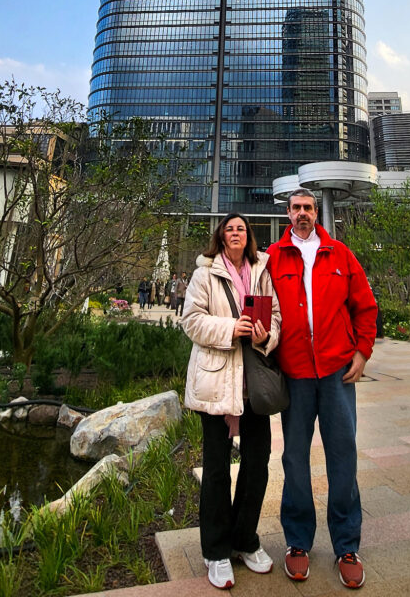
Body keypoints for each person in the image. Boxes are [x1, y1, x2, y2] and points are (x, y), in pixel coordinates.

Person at [267, 188, 378, 590]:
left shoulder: (341, 255)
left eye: (308, 208)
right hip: (295, 374)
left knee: (343, 456)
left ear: (317, 213)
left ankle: (347, 545)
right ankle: (298, 541)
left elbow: (365, 307)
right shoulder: (273, 258)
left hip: (335, 372)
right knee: (295, 459)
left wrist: (362, 353)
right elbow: (261, 309)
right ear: (287, 213)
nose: (302, 214)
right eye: (296, 208)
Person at [182, 213, 281, 590]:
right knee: (218, 469)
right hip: (217, 385)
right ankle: (217, 550)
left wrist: (263, 335)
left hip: (253, 384)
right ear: (220, 236)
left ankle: (245, 539)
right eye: (230, 228)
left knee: (257, 465)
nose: (236, 233)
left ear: (248, 235)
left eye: (242, 228)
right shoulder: (204, 273)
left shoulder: (262, 270)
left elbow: (276, 317)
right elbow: (191, 321)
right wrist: (230, 329)